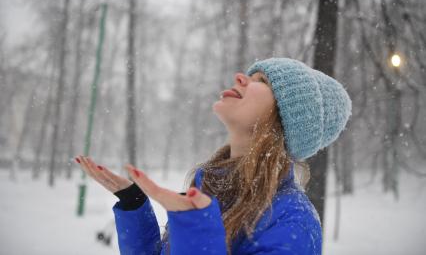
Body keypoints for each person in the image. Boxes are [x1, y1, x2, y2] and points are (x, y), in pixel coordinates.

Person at [76, 57, 352, 255]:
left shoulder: (294, 220)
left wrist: (196, 227)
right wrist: (133, 203)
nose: (240, 77)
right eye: (249, 73)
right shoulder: (210, 185)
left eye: (262, 81)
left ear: (284, 119)